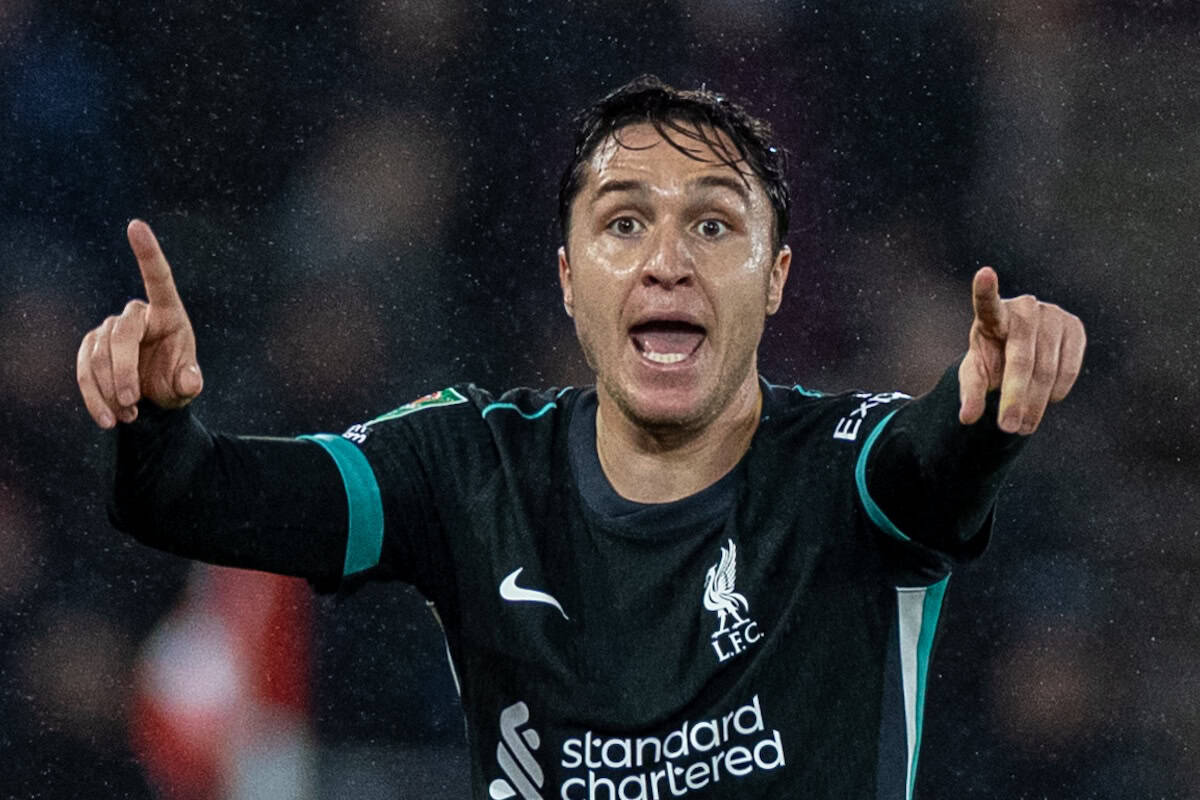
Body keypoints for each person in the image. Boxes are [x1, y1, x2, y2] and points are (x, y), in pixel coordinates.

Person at [77, 76, 1085, 800]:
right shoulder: (473, 465)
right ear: (568, 278)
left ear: (776, 278)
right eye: (623, 223)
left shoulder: (843, 467)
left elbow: (927, 471)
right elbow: (195, 495)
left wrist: (983, 407)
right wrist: (150, 418)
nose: (667, 261)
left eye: (715, 226)